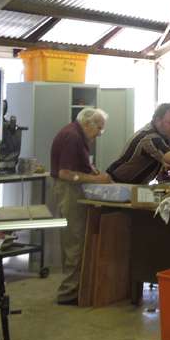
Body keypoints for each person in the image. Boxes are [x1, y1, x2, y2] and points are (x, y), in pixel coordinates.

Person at [51, 108, 113, 305]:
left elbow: (74, 168)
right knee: (76, 241)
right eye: (99, 129)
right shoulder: (72, 137)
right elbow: (66, 174)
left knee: (75, 239)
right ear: (87, 124)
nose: (99, 135)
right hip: (70, 190)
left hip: (72, 188)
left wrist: (88, 170)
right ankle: (69, 293)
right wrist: (97, 180)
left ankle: (76, 288)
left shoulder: (75, 134)